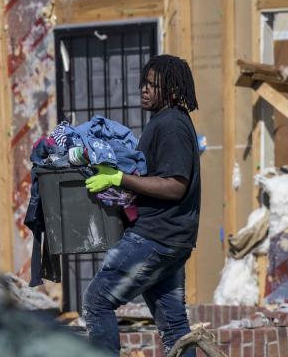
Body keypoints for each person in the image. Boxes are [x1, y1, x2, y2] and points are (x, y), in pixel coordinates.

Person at [82, 54, 201, 356]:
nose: (144, 90)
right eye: (144, 83)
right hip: (171, 239)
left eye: (153, 85)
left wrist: (119, 178)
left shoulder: (171, 125)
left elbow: (175, 186)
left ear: (172, 90)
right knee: (174, 325)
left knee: (97, 301)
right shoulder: (164, 121)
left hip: (156, 237)